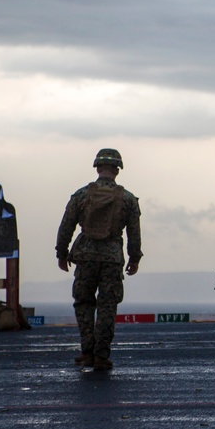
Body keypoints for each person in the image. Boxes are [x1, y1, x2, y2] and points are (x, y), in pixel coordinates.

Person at [56, 149, 142, 370]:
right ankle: (101, 355)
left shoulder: (81, 195)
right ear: (117, 169)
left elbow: (66, 226)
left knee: (84, 303)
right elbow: (134, 232)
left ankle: (87, 351)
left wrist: (62, 253)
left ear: (97, 167)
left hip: (85, 257)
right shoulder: (128, 199)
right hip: (112, 258)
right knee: (107, 305)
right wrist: (134, 258)